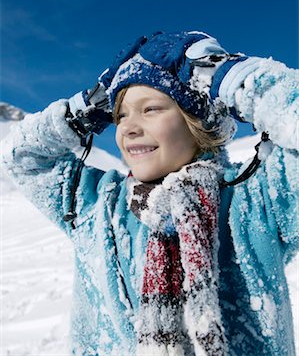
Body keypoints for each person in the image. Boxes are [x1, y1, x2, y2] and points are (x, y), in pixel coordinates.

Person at [2, 31, 298, 356]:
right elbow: (20, 158)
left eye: (151, 109)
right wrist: (82, 112)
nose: (129, 127)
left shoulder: (255, 202)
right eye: (120, 115)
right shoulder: (98, 206)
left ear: (196, 122)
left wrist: (230, 79)